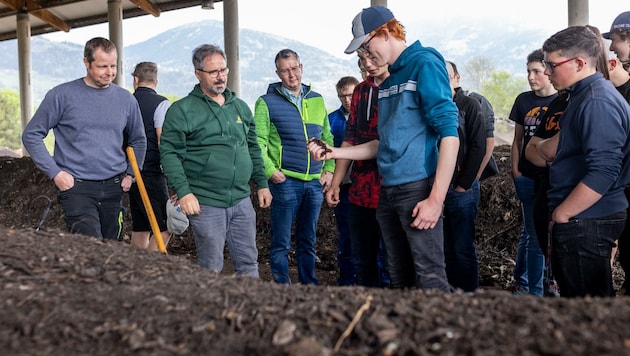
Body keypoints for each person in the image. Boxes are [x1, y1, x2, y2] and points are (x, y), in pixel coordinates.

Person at [311, 6, 460, 292]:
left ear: (388, 32)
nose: (366, 59)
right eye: (361, 54)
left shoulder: (424, 63)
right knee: (398, 273)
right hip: (388, 190)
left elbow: (449, 134)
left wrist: (436, 199)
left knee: (428, 276)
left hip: (416, 187)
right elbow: (383, 144)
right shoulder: (391, 80)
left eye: (368, 48)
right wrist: (334, 152)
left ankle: (441, 335)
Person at [160, 44, 271, 277]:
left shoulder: (239, 107)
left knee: (249, 262)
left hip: (241, 200)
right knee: (211, 266)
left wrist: (261, 183)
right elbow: (170, 153)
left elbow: (252, 147)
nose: (220, 77)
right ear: (198, 74)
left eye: (223, 70)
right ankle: (210, 311)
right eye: (213, 72)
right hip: (206, 202)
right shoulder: (182, 110)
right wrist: (184, 192)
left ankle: (251, 311)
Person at [22, 37, 146, 240]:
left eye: (113, 66)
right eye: (102, 66)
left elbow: (139, 139)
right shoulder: (61, 96)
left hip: (114, 187)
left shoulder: (126, 100)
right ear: (86, 63)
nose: (109, 72)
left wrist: (131, 174)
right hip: (76, 187)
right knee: (90, 245)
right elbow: (31, 134)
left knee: (111, 248)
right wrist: (56, 173)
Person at [543, 25, 630, 298]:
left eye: (551, 65)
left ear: (580, 63)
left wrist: (563, 213)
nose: (546, 72)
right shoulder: (584, 95)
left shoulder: (597, 101)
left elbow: (604, 169)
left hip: (587, 218)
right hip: (584, 216)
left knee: (587, 308)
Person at [254, 48, 335, 285]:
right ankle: (283, 288)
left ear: (302, 67)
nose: (291, 74)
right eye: (285, 70)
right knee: (281, 241)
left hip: (313, 181)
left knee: (307, 239)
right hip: (285, 181)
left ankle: (308, 286)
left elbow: (327, 138)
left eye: (294, 68)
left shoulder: (317, 100)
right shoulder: (266, 102)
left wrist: (329, 169)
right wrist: (270, 171)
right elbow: (258, 142)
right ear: (277, 73)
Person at [327, 52, 391, 288]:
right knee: (362, 258)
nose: (367, 65)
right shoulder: (361, 92)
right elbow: (350, 136)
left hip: (393, 190)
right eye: (362, 61)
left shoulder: (400, 87)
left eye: (372, 58)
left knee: (393, 259)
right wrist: (335, 183)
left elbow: (381, 143)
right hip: (360, 191)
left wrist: (334, 153)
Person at [509, 49, 557, 297]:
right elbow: (517, 140)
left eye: (536, 71)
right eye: (528, 71)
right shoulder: (523, 101)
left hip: (550, 177)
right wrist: (516, 170)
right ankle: (528, 286)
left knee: (544, 233)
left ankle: (541, 284)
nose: (531, 76)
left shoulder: (560, 101)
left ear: (548, 72)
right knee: (532, 233)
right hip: (527, 176)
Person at [443, 60, 486, 292]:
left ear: (457, 78)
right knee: (442, 246)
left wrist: (464, 185)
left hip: (461, 187)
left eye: (446, 76)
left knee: (461, 247)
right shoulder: (432, 104)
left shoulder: (470, 105)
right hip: (436, 187)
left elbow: (479, 146)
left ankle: (468, 295)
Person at [128, 61, 173, 251]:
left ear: (135, 80)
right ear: (156, 81)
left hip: (130, 171)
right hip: (152, 171)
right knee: (166, 227)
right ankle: (148, 269)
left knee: (141, 227)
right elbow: (163, 140)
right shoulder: (161, 104)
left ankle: (134, 268)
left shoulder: (125, 101)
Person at [328, 75, 359, 286]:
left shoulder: (371, 115)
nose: (347, 100)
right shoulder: (332, 119)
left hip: (369, 182)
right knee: (346, 234)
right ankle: (346, 280)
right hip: (344, 184)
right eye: (342, 96)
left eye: (350, 94)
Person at [447, 61, 498, 181]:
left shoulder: (476, 102)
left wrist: (474, 177)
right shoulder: (436, 104)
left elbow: (487, 142)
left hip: (467, 177)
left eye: (447, 77)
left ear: (457, 78)